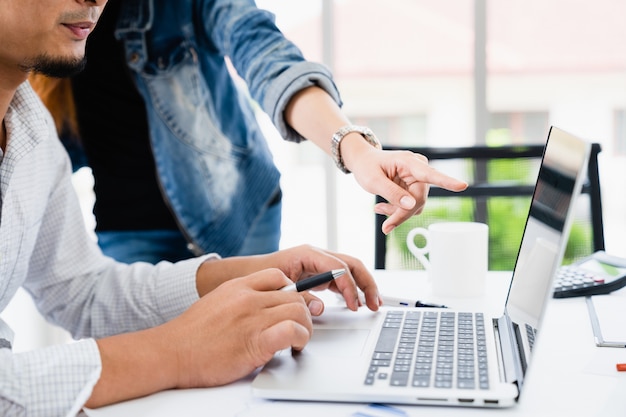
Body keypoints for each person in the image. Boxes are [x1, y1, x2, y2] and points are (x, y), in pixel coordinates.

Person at [0, 1, 385, 414]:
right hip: (128, 217)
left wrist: (257, 269)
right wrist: (178, 351)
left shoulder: (28, 122)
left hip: (226, 207)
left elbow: (81, 290)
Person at [30, 0, 468, 264]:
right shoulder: (34, 28)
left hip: (233, 213)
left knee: (246, 376)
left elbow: (263, 51)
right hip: (127, 229)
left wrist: (354, 149)